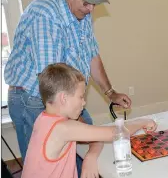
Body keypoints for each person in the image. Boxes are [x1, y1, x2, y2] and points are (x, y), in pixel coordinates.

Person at [4, 0, 131, 176]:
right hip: (34, 98)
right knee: (49, 168)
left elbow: (92, 55)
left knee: (85, 154)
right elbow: (51, 82)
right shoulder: (45, 16)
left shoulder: (82, 12)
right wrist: (88, 134)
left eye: (95, 3)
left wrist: (110, 92)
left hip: (65, 94)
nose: (90, 9)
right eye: (87, 2)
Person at [21, 63, 157, 178]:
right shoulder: (63, 128)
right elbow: (114, 133)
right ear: (63, 98)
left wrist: (90, 156)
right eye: (81, 97)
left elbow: (96, 137)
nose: (84, 102)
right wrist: (143, 121)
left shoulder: (44, 119)